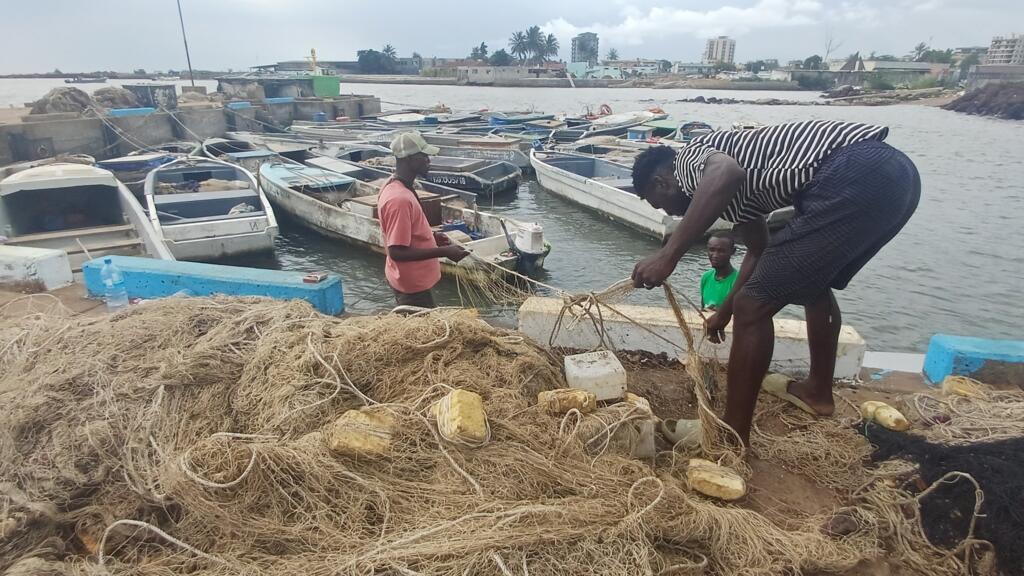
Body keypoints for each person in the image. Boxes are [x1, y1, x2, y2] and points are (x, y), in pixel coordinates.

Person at [630, 120, 920, 445]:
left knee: (753, 305)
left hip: (855, 171)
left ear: (662, 182)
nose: (671, 214)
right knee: (814, 284)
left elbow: (726, 174)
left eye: (660, 205)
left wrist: (668, 255)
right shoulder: (736, 197)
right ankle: (817, 392)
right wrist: (725, 313)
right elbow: (758, 250)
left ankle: (730, 435)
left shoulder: (690, 159)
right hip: (898, 178)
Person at [379, 132, 469, 308]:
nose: (429, 160)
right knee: (424, 330)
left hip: (408, 280)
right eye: (424, 156)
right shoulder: (400, 199)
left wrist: (431, 238)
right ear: (409, 159)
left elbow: (407, 233)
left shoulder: (394, 183)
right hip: (411, 287)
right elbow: (396, 252)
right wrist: (445, 252)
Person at [700, 232, 738, 311]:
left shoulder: (738, 280)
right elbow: (703, 309)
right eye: (711, 250)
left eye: (721, 251)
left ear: (733, 251)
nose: (715, 255)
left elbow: (742, 312)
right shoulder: (706, 277)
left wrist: (720, 312)